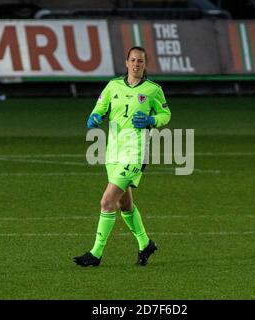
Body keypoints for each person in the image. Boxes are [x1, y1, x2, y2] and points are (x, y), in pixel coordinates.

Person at [73, 46, 171, 267]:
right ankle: (146, 244)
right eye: (133, 60)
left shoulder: (153, 90)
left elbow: (166, 114)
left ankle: (95, 254)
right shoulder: (113, 86)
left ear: (145, 65)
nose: (136, 65)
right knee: (124, 205)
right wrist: (95, 117)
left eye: (141, 62)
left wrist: (152, 121)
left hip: (136, 152)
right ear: (126, 62)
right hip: (113, 152)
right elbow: (100, 107)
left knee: (107, 202)